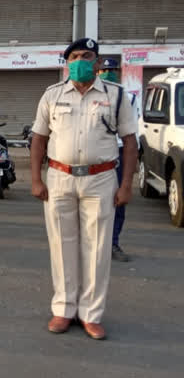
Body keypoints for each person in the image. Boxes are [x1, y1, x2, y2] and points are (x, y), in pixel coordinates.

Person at [31, 38, 137, 340]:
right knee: (62, 246)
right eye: (74, 56)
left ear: (99, 62)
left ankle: (91, 313)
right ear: (67, 63)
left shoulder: (116, 96)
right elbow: (39, 138)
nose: (80, 61)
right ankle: (64, 309)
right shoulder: (52, 95)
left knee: (98, 247)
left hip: (101, 179)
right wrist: (36, 179)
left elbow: (130, 142)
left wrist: (127, 184)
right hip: (59, 178)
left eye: (87, 56)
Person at [98, 58, 139, 263]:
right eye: (104, 69)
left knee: (118, 200)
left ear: (118, 72)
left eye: (111, 69)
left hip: (120, 152)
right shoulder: (90, 95)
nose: (107, 72)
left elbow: (133, 133)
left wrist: (133, 165)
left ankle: (112, 243)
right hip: (98, 153)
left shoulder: (129, 97)